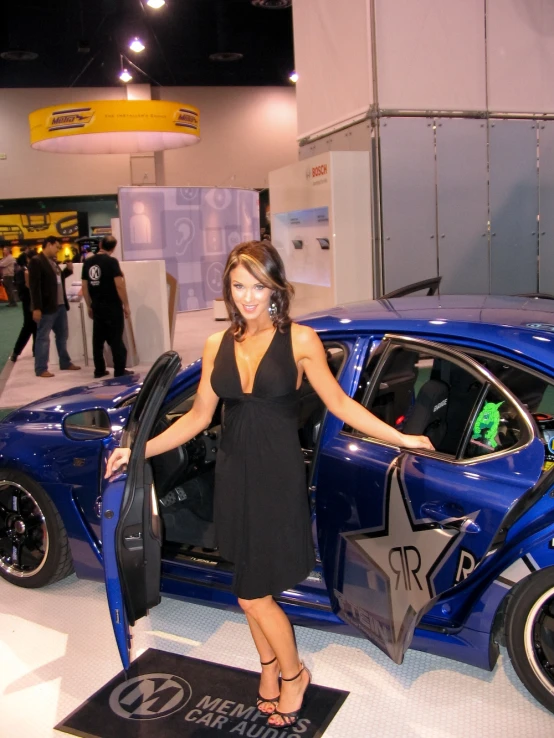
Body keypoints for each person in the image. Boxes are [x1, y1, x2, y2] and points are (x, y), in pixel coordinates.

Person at [105, 241, 433, 729]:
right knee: (246, 582)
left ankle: (294, 675)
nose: (248, 296)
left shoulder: (301, 341)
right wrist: (140, 450)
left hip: (277, 478)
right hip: (234, 476)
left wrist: (402, 436)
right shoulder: (218, 345)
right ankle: (268, 671)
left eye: (258, 285)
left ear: (276, 286)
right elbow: (197, 418)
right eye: (239, 286)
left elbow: (341, 406)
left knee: (252, 593)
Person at [29, 236, 81, 378]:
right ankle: (41, 368)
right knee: (43, 338)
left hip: (60, 305)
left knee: (62, 336)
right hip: (46, 307)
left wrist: (68, 271)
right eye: (57, 247)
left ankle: (65, 362)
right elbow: (34, 287)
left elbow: (56, 280)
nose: (58, 250)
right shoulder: (36, 261)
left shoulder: (52, 262)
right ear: (49, 245)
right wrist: (37, 307)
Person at [81, 235, 131, 378]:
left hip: (97, 306)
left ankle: (99, 370)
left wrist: (89, 305)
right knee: (116, 339)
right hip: (112, 306)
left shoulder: (88, 262)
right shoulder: (112, 262)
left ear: (101, 244)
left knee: (98, 340)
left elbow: (85, 287)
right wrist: (126, 305)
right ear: (114, 248)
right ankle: (119, 370)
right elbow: (119, 285)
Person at [10, 252, 37, 361]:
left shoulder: (28, 271)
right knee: (28, 327)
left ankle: (36, 351)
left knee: (36, 327)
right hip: (28, 302)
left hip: (33, 301)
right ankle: (16, 352)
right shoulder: (22, 272)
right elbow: (23, 289)